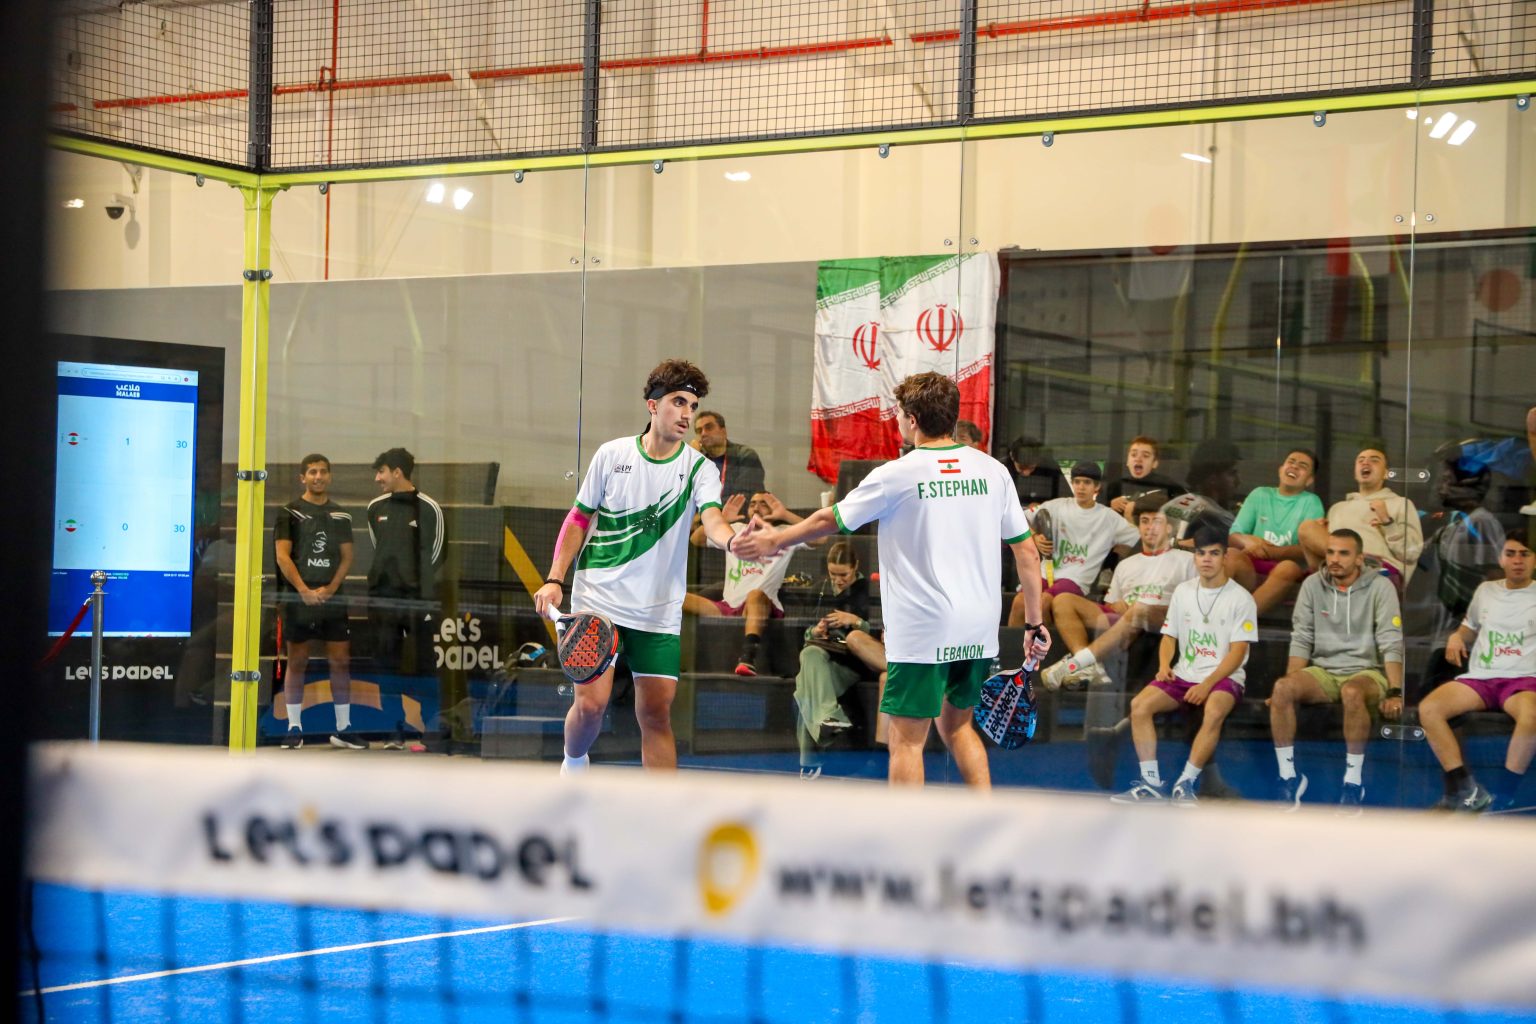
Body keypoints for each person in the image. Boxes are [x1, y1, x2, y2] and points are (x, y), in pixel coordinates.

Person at [734, 371, 1047, 788]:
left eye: (899, 413)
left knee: (907, 741)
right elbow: (1027, 552)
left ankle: (905, 829)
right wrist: (1033, 624)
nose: (897, 419)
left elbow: (830, 519)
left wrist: (775, 538)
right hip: (978, 625)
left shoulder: (897, 474)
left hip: (923, 628)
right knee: (957, 728)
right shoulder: (993, 471)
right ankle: (986, 816)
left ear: (912, 419)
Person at [535, 360, 739, 773]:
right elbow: (579, 518)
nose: (686, 413)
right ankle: (573, 764)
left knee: (656, 714)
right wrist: (555, 578)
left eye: (692, 406)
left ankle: (660, 806)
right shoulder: (612, 455)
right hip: (599, 598)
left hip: (657, 610)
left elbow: (713, 519)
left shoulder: (700, 469)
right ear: (652, 405)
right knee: (591, 706)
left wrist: (733, 540)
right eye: (678, 402)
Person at [1111, 525, 1257, 806]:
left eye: (1214, 553)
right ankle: (1151, 784)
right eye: (1201, 553)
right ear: (1195, 557)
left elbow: (1238, 653)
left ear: (1225, 557)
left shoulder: (1241, 599)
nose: (1206, 559)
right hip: (1183, 674)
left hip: (1224, 677)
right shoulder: (1183, 591)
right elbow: (1169, 636)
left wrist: (1207, 684)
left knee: (1213, 711)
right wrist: (1164, 665)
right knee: (1140, 706)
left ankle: (1185, 783)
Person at [1267, 528, 1404, 814]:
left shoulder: (1381, 586)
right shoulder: (1312, 584)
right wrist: (1288, 685)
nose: (1334, 559)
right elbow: (1301, 637)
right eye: (1330, 552)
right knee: (1281, 689)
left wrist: (1395, 691)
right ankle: (1288, 778)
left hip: (1367, 672)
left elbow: (1391, 641)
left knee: (1352, 692)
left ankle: (1352, 783)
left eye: (1343, 553)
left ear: (1359, 559)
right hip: (1324, 671)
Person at [1417, 531, 1536, 812]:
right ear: (1501, 559)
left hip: (1524, 680)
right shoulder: (1486, 590)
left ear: (1534, 560)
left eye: (1525, 554)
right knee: (1429, 709)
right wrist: (1457, 636)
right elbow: (1468, 628)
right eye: (1510, 554)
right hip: (1481, 678)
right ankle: (1468, 790)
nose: (1517, 560)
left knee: (1531, 715)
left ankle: (1504, 797)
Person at [1042, 495, 1195, 690]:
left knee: (1139, 609)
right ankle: (1088, 666)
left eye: (1157, 521)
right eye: (1145, 521)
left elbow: (1195, 604)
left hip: (1163, 619)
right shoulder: (1125, 565)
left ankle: (1076, 663)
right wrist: (1117, 606)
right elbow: (1110, 606)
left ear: (1169, 528)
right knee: (1063, 599)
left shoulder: (1187, 560)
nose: (1150, 527)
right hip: (1126, 620)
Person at [273, 454, 360, 749]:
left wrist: (331, 589)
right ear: (303, 478)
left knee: (340, 661)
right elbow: (282, 556)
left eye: (323, 471)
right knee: (297, 661)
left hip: (332, 599)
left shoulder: (341, 515)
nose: (318, 476)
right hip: (299, 599)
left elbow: (347, 557)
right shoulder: (289, 512)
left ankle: (343, 729)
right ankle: (294, 728)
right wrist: (304, 591)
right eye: (312, 472)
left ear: (330, 476)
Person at [686, 491, 819, 676]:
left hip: (761, 607)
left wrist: (785, 515)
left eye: (763, 503)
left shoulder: (783, 534)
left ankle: (748, 658)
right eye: (752, 503)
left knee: (754, 594)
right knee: (678, 597)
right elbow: (696, 539)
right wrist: (722, 520)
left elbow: (820, 538)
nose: (756, 507)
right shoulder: (734, 530)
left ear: (773, 509)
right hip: (727, 607)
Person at [1008, 462, 1138, 629]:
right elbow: (1019, 517)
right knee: (1019, 601)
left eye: (1087, 482)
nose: (1081, 487)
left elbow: (1139, 539)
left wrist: (1128, 519)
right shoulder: (1056, 505)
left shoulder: (1109, 518)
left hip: (1076, 579)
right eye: (1077, 482)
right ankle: (1014, 645)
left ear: (1097, 486)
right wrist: (1034, 537)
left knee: (1044, 602)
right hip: (1046, 571)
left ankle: (1046, 645)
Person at [793, 541, 885, 776]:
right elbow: (803, 632)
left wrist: (855, 621)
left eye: (843, 574)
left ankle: (809, 762)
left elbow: (880, 634)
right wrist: (815, 632)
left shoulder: (871, 590)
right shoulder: (820, 589)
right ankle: (828, 718)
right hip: (825, 656)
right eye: (833, 574)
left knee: (805, 688)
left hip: (857, 662)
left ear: (856, 567)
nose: (838, 580)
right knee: (809, 653)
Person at [365, 447, 446, 682]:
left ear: (397, 472)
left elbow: (439, 552)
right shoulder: (375, 507)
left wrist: (415, 578)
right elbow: (378, 547)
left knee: (425, 660)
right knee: (384, 661)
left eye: (381, 471)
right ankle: (390, 706)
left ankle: (426, 706)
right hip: (383, 598)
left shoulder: (429, 508)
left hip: (418, 599)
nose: (377, 478)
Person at [1299, 446, 1423, 587]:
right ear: (1355, 473)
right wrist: (1321, 530)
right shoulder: (1337, 508)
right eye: (1361, 460)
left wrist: (1387, 521)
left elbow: (1411, 553)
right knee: (1307, 527)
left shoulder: (1401, 503)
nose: (1365, 463)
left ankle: (1359, 566)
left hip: (1381, 572)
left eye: (1374, 460)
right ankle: (1332, 578)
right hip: (1339, 571)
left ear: (1386, 473)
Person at [1226, 449, 1325, 615]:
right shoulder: (1260, 494)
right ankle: (1208, 614)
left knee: (1288, 567)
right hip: (1251, 568)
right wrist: (1247, 541)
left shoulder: (1311, 502)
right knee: (1230, 554)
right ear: (1280, 470)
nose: (1294, 466)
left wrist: (1270, 552)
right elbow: (1234, 536)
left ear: (1309, 480)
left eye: (1302, 466)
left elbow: (1308, 548)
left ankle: (1241, 620)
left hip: (1286, 572)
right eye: (1291, 462)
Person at [1103, 436, 1187, 523]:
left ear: (1154, 463)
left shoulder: (1166, 485)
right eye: (1133, 455)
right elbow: (1097, 512)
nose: (1138, 459)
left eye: (1145, 456)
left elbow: (1188, 508)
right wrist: (1110, 505)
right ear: (1127, 461)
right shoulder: (1116, 486)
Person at [693, 410, 766, 505]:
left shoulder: (745, 456)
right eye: (699, 431)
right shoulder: (700, 462)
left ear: (724, 432)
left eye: (709, 427)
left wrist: (705, 511)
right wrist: (692, 460)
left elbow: (743, 499)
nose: (703, 433)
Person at [1007, 435, 1065, 508]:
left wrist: (1043, 506)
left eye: (1031, 468)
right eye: (1022, 468)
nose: (1026, 473)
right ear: (1012, 456)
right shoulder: (1001, 469)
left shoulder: (1050, 468)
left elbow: (1063, 499)